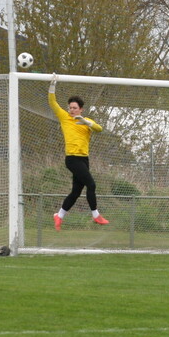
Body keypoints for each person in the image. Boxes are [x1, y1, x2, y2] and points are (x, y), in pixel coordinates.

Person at [48, 75, 108, 230]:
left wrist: (86, 122)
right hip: (72, 159)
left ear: (81, 109)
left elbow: (99, 129)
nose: (72, 110)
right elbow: (53, 103)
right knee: (91, 184)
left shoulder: (86, 121)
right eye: (70, 107)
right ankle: (96, 215)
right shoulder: (65, 118)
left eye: (75, 108)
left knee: (76, 191)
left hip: (84, 159)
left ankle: (59, 215)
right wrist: (52, 86)